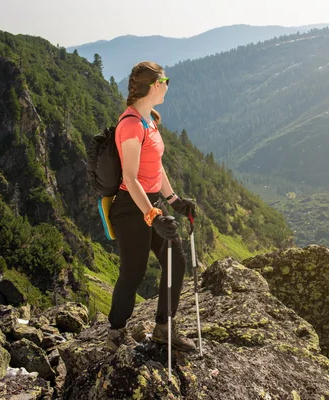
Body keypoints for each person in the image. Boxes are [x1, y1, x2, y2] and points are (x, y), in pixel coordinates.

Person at [106, 61, 197, 352]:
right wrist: (152, 215)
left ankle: (163, 327)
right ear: (153, 85)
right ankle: (116, 332)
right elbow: (131, 179)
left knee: (176, 260)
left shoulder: (150, 119)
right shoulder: (131, 125)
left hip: (152, 203)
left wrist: (174, 201)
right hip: (131, 207)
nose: (168, 85)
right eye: (165, 79)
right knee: (133, 271)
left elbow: (156, 166)